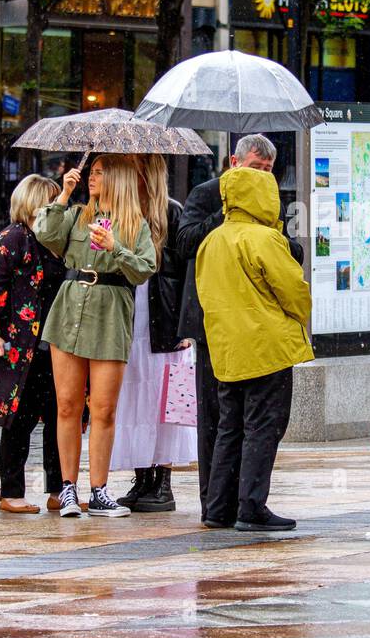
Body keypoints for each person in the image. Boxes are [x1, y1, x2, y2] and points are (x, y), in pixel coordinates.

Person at [174, 134, 303, 523]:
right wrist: (229, 212)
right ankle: (223, 502)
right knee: (222, 418)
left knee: (234, 418)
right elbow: (184, 244)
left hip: (237, 319)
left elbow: (288, 251)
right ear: (234, 162)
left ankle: (223, 505)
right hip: (217, 321)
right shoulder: (207, 195)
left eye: (267, 171)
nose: (262, 177)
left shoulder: (268, 213)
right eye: (254, 169)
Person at [34, 154, 157, 518]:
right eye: (92, 171)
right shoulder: (76, 215)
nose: (91, 178)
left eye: (100, 173)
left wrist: (114, 248)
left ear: (117, 178)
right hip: (71, 306)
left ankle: (99, 490)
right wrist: (63, 194)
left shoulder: (136, 224)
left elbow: (145, 268)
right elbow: (45, 233)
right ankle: (67, 487)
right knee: (67, 405)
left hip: (110, 310)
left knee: (103, 409)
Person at [0, 174, 67, 515]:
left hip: (55, 344)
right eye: (53, 202)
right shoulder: (15, 237)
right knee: (21, 418)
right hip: (22, 346)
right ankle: (12, 492)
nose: (61, 207)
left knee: (60, 416)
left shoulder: (55, 239)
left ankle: (59, 489)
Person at [109, 154, 193, 513]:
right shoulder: (121, 212)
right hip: (133, 315)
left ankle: (163, 480)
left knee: (163, 399)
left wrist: (187, 323)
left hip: (164, 316)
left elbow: (188, 267)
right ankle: (143, 476)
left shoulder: (172, 213)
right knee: (135, 395)